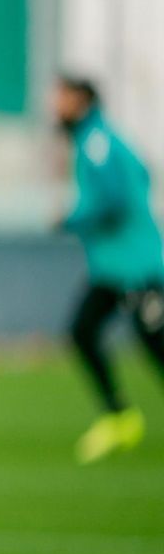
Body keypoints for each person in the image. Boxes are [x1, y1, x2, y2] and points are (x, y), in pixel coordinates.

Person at [50, 74, 164, 463]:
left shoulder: (96, 141)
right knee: (82, 331)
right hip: (113, 268)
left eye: (61, 98)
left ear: (80, 100)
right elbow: (145, 174)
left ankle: (119, 418)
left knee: (155, 344)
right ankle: (119, 418)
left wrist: (71, 217)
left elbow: (112, 199)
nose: (55, 106)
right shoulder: (96, 139)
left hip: (137, 267)